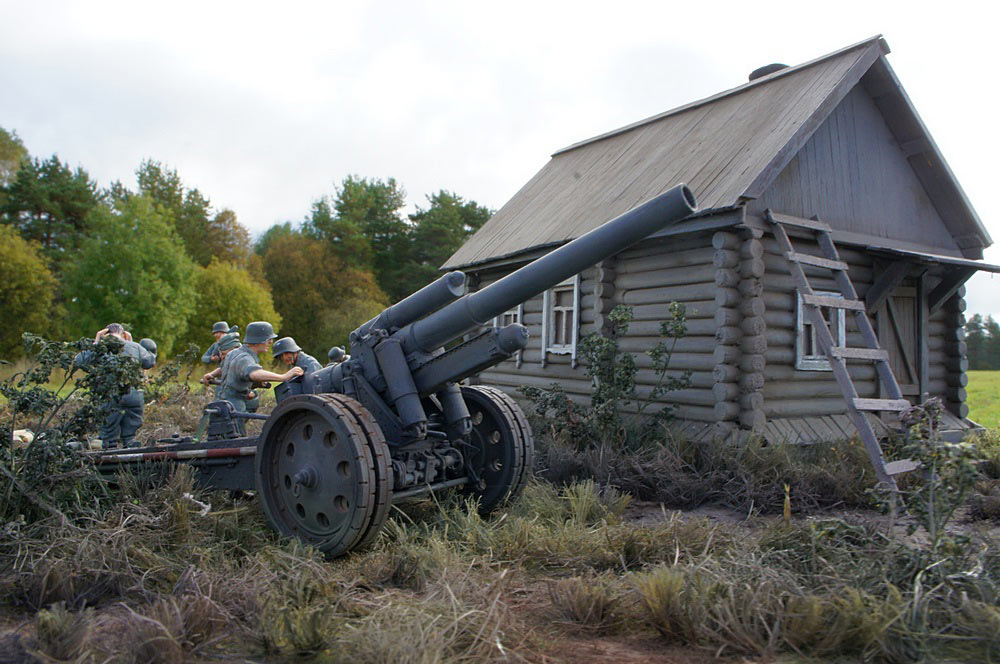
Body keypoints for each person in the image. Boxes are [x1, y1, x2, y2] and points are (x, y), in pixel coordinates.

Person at [202, 322, 302, 433]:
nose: (270, 342)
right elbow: (254, 373)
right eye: (267, 339)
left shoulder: (234, 353)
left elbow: (229, 368)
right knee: (234, 440)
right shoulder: (245, 358)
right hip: (234, 407)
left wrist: (211, 375)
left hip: (223, 404)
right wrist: (283, 376)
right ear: (257, 341)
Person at [78, 324, 156, 449]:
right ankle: (131, 449)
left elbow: (81, 361)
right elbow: (149, 362)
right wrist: (132, 343)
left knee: (108, 436)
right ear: (123, 334)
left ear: (105, 334)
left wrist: (96, 342)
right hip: (134, 395)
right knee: (130, 435)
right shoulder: (135, 346)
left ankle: (110, 452)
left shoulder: (101, 348)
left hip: (111, 396)